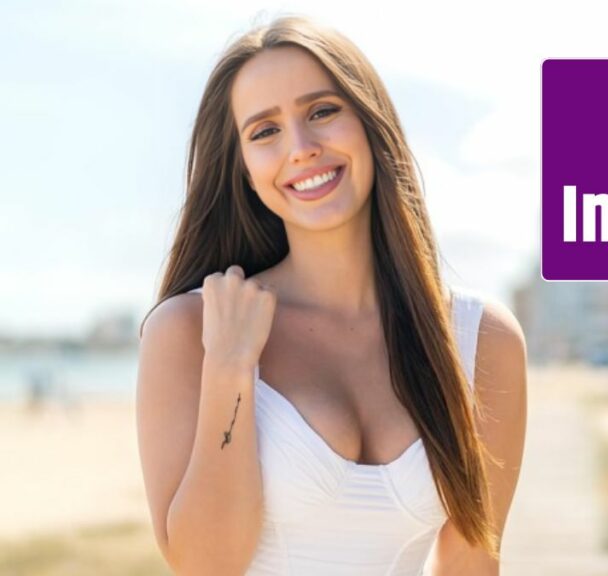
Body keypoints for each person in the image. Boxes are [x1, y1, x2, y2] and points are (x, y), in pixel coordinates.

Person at [135, 16, 528, 576]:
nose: (300, 148)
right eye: (264, 131)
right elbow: (204, 566)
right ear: (245, 170)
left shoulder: (482, 339)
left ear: (370, 124)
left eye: (322, 111)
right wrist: (229, 365)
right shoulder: (188, 330)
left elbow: (471, 561)